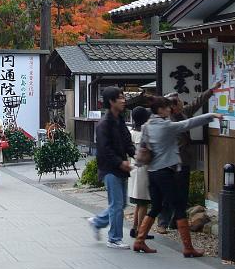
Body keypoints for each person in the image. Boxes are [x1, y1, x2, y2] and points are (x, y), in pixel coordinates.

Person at [132, 96, 221, 256]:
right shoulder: (166, 126)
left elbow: (144, 147)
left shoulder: (147, 125)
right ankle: (188, 248)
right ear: (160, 110)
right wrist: (211, 116)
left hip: (152, 172)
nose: (170, 110)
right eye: (167, 108)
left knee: (157, 206)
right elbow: (187, 123)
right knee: (179, 207)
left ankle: (139, 241)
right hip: (165, 172)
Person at [156, 81, 221, 234]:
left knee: (182, 194)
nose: (181, 102)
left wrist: (212, 90)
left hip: (183, 161)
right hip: (170, 163)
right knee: (168, 194)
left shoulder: (184, 113)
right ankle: (162, 223)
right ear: (172, 107)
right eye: (177, 101)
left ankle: (175, 222)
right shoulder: (167, 121)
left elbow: (197, 102)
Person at [87, 87, 135, 249]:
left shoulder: (120, 120)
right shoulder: (104, 124)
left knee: (120, 205)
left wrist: (135, 155)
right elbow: (104, 149)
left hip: (121, 167)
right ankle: (114, 238)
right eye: (120, 98)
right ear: (111, 101)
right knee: (117, 204)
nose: (123, 100)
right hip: (110, 169)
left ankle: (97, 221)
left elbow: (127, 142)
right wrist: (120, 163)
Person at [128, 106, 154, 241]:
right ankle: (140, 231)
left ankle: (135, 227)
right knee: (143, 201)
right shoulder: (145, 133)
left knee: (139, 202)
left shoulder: (131, 132)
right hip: (143, 169)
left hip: (133, 167)